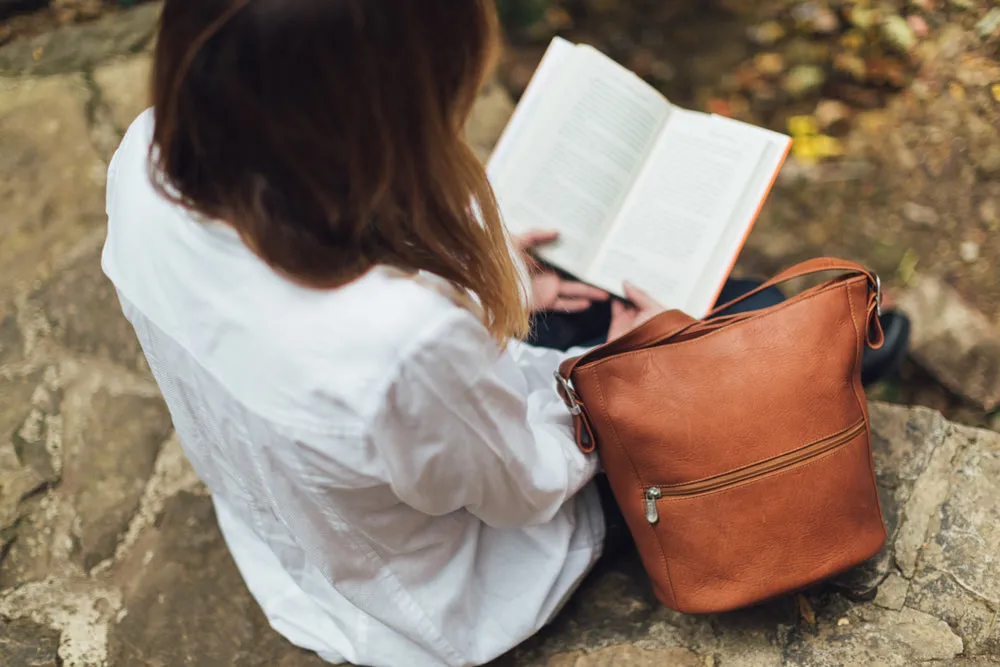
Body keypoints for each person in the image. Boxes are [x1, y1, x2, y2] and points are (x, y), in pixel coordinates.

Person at [101, 2, 909, 666]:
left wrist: (505, 281)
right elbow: (523, 481)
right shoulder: (394, 344)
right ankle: (874, 348)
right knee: (726, 333)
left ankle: (859, 344)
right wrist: (617, 363)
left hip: (301, 538)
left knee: (656, 296)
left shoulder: (146, 162)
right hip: (454, 589)